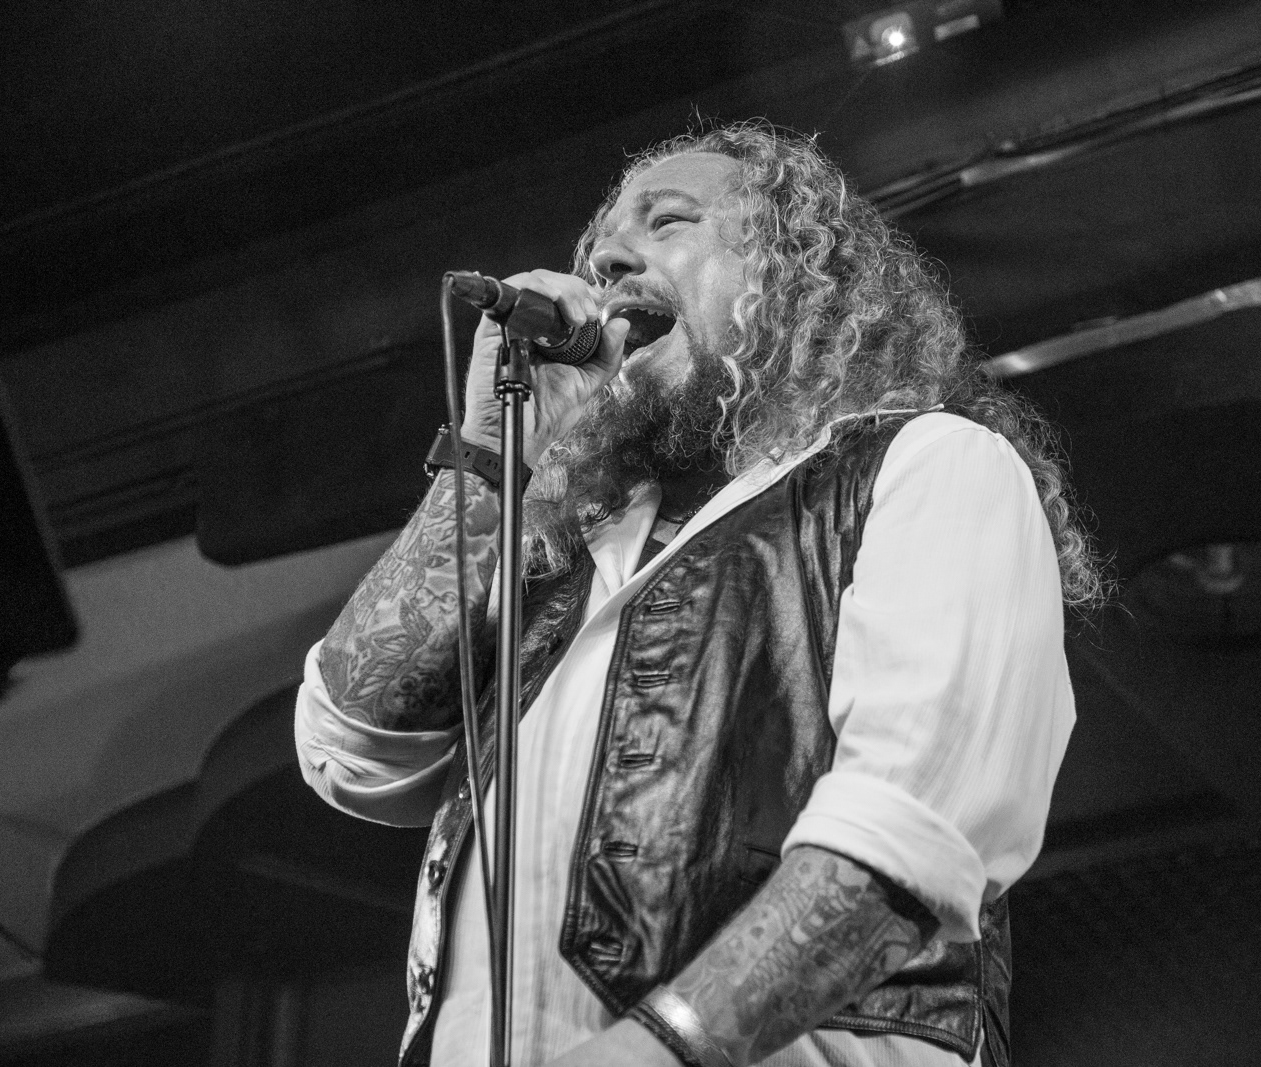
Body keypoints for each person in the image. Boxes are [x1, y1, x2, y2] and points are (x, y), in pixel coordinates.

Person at [296, 120, 1104, 1067]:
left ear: (791, 276)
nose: (606, 259)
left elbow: (905, 846)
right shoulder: (557, 560)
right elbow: (349, 747)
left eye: (666, 221)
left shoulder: (929, 464)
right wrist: (488, 459)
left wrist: (655, 1052)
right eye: (599, 248)